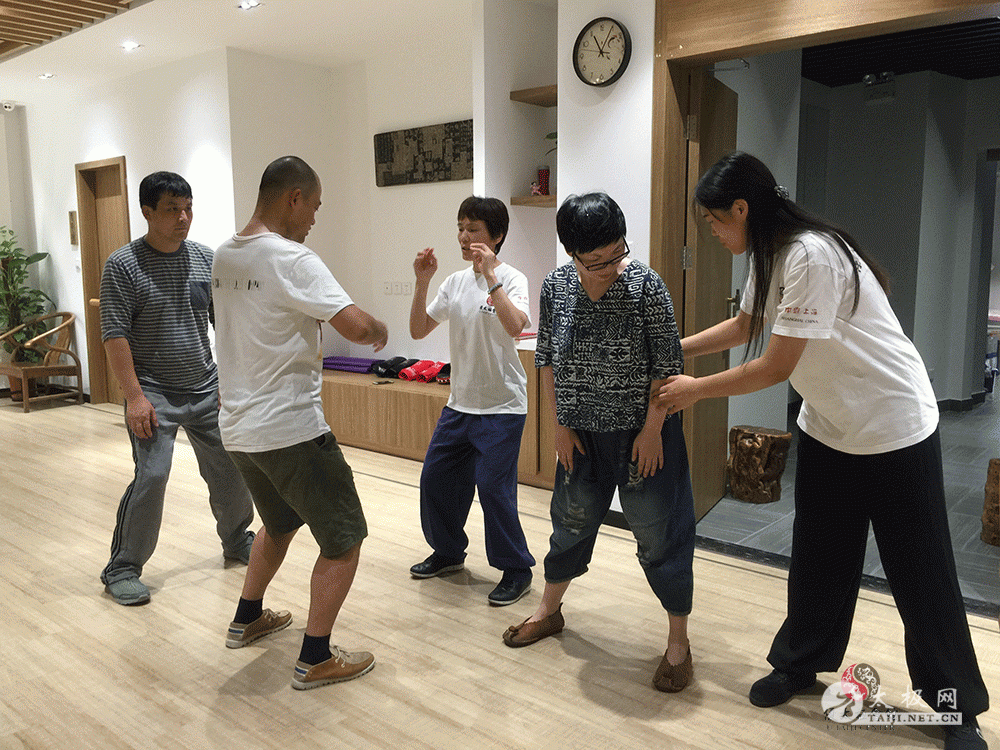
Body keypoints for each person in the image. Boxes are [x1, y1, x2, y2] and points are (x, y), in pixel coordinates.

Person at [656, 151, 989, 748]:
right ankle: (800, 663)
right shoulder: (769, 253)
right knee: (819, 556)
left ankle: (954, 707)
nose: (711, 231)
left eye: (713, 220)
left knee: (920, 571)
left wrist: (694, 390)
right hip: (830, 424)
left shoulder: (811, 255)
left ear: (741, 209)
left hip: (892, 424)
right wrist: (675, 350)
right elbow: (745, 326)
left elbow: (775, 365)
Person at [502, 192, 697, 694]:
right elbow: (547, 357)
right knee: (569, 524)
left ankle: (678, 643)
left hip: (643, 435)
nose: (611, 266)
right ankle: (549, 610)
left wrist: (653, 430)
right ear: (573, 254)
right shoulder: (557, 286)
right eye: (597, 260)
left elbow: (668, 367)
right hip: (580, 434)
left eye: (617, 253)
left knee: (660, 534)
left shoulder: (646, 285)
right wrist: (559, 425)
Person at [212, 155, 388, 691]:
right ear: (293, 198)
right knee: (344, 538)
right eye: (313, 206)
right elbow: (356, 328)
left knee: (280, 523)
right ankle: (315, 657)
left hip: (238, 430)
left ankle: (247, 618)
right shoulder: (292, 258)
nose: (313, 218)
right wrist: (380, 328)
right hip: (290, 429)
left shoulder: (225, 255)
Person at [99, 171, 255, 607]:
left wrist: (229, 381)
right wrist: (134, 397)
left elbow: (224, 324)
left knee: (232, 468)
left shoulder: (206, 259)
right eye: (172, 210)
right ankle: (122, 568)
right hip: (152, 392)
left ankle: (236, 539)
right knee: (152, 476)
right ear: (147, 212)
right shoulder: (123, 265)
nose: (183, 217)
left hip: (205, 386)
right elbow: (114, 334)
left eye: (188, 209)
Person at [408, 196, 535, 605]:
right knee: (435, 479)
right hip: (459, 404)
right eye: (460, 228)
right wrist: (422, 281)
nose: (464, 237)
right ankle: (448, 552)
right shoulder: (454, 283)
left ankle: (516, 570)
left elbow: (515, 326)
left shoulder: (513, 279)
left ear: (497, 236)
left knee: (493, 489)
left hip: (502, 406)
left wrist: (491, 277)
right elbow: (418, 330)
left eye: (474, 229)